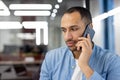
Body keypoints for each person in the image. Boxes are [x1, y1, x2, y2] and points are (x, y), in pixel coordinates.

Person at [39, 6, 120, 80]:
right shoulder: (51, 58)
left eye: (73, 29)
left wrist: (84, 66)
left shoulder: (112, 61)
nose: (67, 37)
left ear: (89, 28)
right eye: (64, 30)